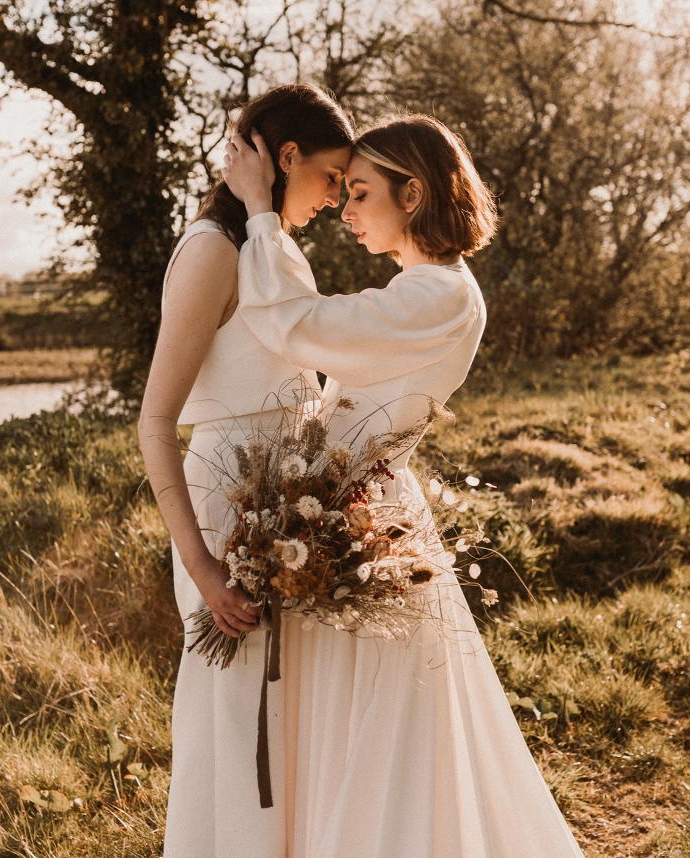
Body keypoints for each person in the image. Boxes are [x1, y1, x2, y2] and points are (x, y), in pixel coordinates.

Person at [221, 113, 586, 857]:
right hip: (350, 517)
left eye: (360, 193)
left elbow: (298, 326)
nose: (346, 211)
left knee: (388, 736)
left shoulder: (440, 296)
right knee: (354, 721)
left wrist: (262, 213)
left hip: (367, 518)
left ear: (412, 194)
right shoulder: (417, 289)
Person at [136, 83, 353, 857]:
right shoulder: (212, 253)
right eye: (332, 177)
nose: (338, 197)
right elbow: (155, 424)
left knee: (290, 720)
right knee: (235, 721)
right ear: (285, 158)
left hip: (288, 506)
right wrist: (202, 568)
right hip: (228, 514)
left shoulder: (271, 246)